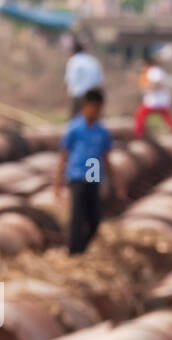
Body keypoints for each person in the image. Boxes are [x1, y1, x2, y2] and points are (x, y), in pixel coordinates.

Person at [55, 88, 122, 255]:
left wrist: (117, 183)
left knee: (94, 219)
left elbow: (106, 158)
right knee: (77, 217)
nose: (97, 111)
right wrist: (57, 182)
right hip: (77, 176)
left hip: (93, 176)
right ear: (86, 106)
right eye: (94, 107)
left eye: (100, 108)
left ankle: (81, 249)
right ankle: (73, 252)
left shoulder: (102, 132)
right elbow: (63, 155)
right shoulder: (75, 129)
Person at [133, 52, 172, 136]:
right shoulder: (150, 71)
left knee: (140, 115)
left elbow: (157, 84)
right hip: (155, 99)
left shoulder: (155, 70)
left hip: (157, 100)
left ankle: (139, 134)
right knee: (166, 116)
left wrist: (148, 88)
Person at [64, 37, 104, 116]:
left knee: (76, 121)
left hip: (79, 96)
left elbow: (70, 81)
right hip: (92, 98)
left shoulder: (73, 61)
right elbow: (99, 82)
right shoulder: (93, 61)